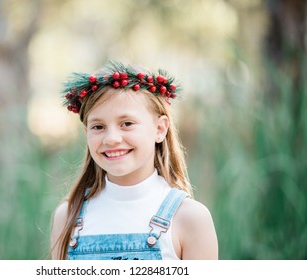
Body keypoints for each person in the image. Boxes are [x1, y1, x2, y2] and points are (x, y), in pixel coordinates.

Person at [50, 61, 218, 260]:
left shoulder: (189, 218)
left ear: (160, 129)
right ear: (87, 132)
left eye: (127, 123)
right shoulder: (68, 217)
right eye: (98, 127)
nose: (111, 138)